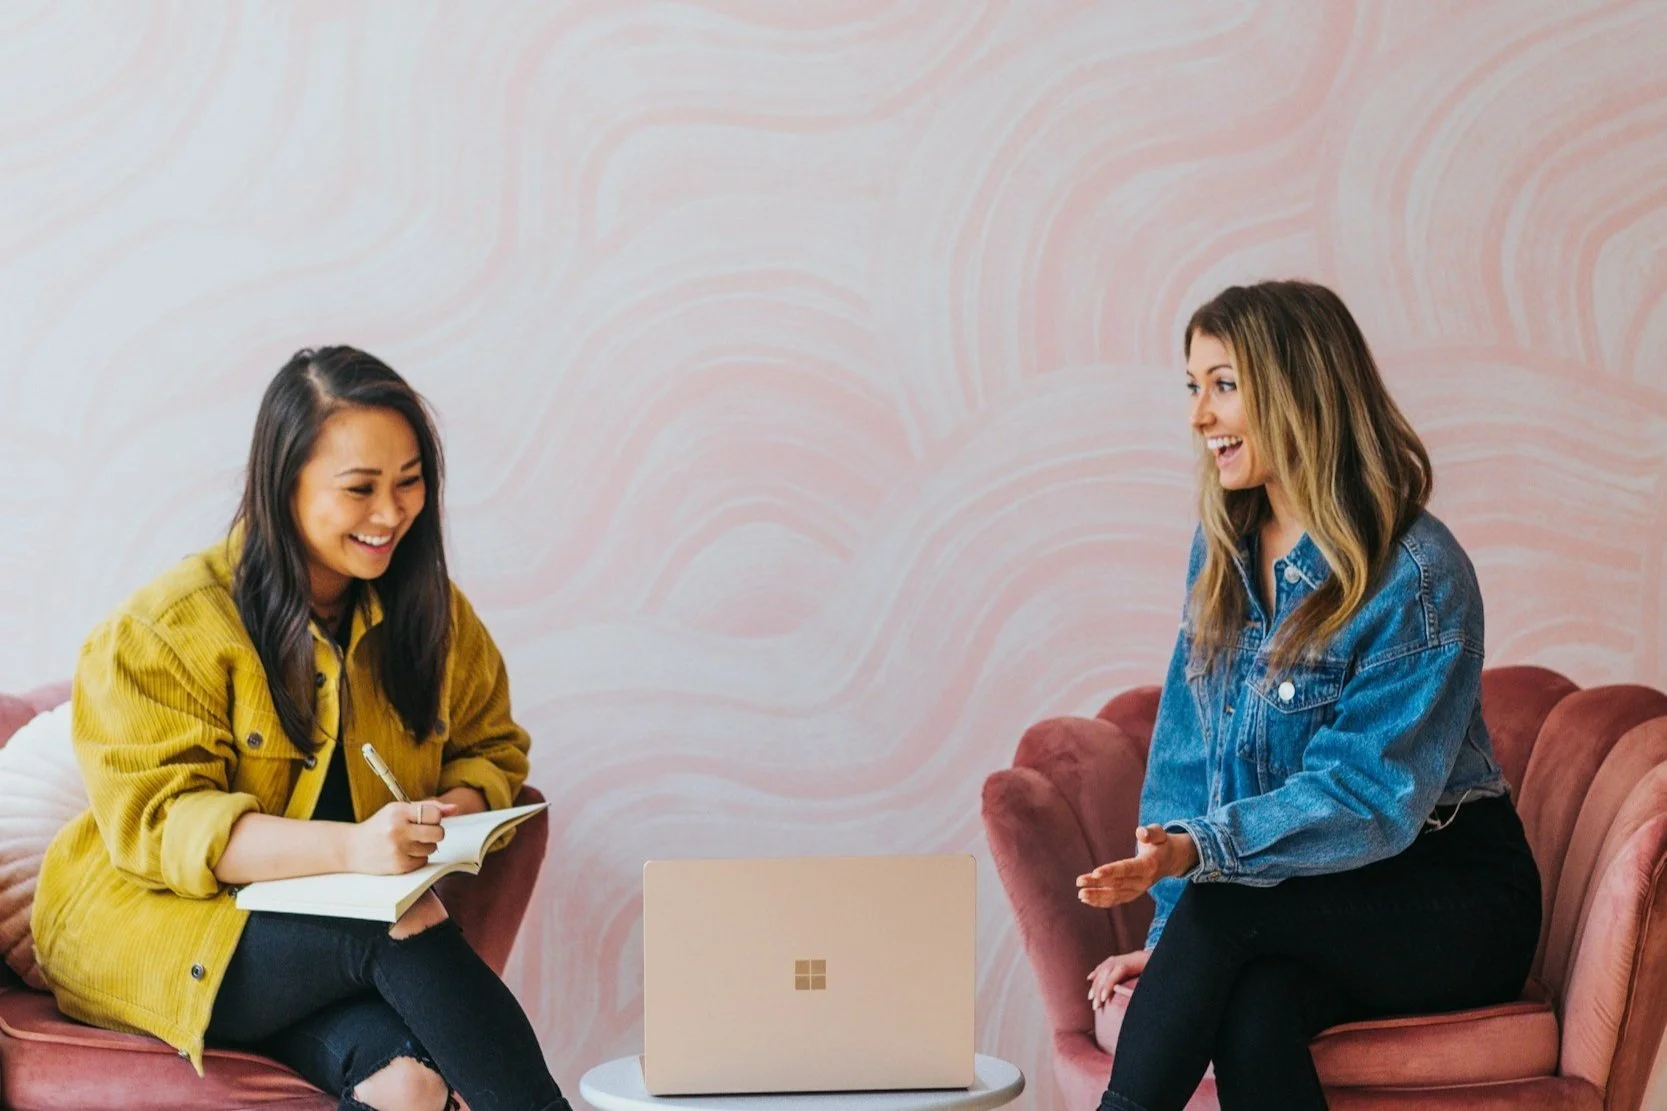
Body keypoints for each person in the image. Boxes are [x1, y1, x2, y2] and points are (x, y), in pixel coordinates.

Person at [32, 347, 572, 1111]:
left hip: (318, 948)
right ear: (283, 485)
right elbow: (166, 824)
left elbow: (492, 749)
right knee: (400, 917)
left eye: (409, 481)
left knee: (408, 1088)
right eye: (360, 488)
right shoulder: (165, 627)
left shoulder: (431, 616)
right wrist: (356, 848)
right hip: (162, 929)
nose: (391, 513)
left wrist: (450, 810)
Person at [1075, 282, 1542, 1111]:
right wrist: (1169, 930)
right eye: (1193, 387)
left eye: (1222, 384)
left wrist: (1199, 862)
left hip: (1450, 897)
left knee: (1223, 917)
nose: (1197, 416)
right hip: (1304, 900)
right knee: (1253, 1011)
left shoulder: (1417, 574)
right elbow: (1189, 759)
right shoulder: (1223, 547)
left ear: (1297, 389)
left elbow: (1365, 796)